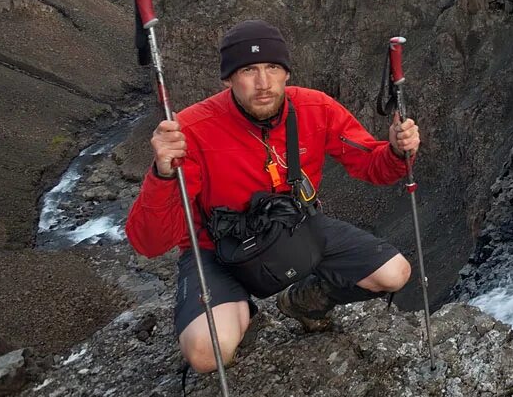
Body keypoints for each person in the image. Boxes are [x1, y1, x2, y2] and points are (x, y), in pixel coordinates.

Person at [125, 20, 420, 373]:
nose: (263, 83)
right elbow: (150, 242)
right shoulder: (191, 130)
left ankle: (304, 300)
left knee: (395, 273)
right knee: (206, 354)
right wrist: (162, 173)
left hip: (298, 229)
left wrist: (399, 150)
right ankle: (238, 311)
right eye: (249, 70)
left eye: (272, 68)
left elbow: (374, 165)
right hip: (220, 250)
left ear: (286, 74)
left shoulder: (316, 108)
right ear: (228, 79)